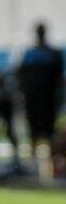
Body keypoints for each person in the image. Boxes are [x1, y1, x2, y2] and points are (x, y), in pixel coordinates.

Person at [16, 22, 64, 178]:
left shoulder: (33, 54)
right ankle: (37, 170)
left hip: (43, 100)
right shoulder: (38, 53)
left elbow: (20, 75)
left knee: (44, 135)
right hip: (39, 100)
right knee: (39, 134)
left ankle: (47, 170)